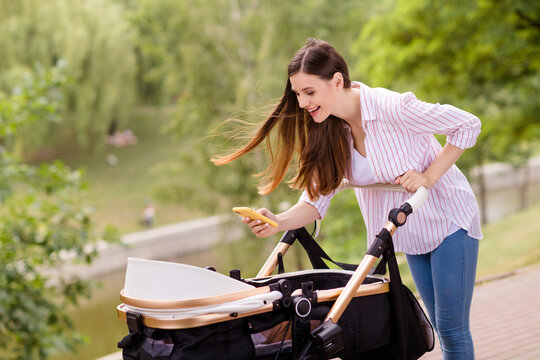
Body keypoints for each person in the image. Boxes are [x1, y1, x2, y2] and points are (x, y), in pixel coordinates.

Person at [212, 38, 482, 359]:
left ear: (337, 81)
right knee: (437, 325)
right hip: (412, 233)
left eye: (309, 92)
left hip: (450, 220)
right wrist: (277, 222)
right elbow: (314, 201)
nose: (301, 103)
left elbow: (467, 124)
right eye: (297, 94)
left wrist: (427, 177)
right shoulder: (329, 129)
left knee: (452, 328)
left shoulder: (390, 107)